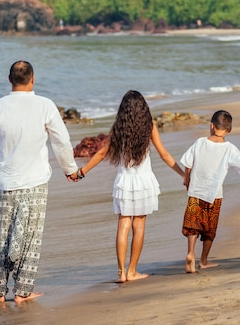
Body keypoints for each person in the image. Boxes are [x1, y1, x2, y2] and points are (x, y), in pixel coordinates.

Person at [0, 60, 79, 303]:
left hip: (5, 181)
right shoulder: (45, 105)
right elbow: (61, 140)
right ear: (32, 79)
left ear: (9, 79)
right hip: (35, 181)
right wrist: (70, 168)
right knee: (30, 237)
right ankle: (22, 291)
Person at [71, 90, 184, 283]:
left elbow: (100, 154)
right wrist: (183, 174)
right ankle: (132, 271)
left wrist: (82, 172)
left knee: (123, 225)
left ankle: (121, 272)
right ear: (143, 109)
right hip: (143, 182)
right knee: (138, 226)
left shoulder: (119, 128)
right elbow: (164, 154)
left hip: (124, 182)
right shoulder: (150, 127)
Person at [180, 110, 240, 273]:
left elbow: (187, 163)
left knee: (193, 226)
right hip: (214, 195)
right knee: (209, 229)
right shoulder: (229, 149)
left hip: (195, 192)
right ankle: (204, 260)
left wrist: (187, 178)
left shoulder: (200, 142)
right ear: (228, 130)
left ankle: (190, 253)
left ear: (211, 126)